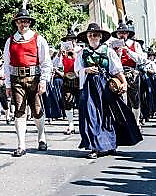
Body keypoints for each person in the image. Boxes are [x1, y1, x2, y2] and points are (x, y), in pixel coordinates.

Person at [74, 23, 142, 159]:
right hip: (89, 86)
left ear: (100, 37)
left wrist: (123, 82)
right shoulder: (82, 53)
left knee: (107, 115)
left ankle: (110, 144)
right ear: (87, 38)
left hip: (105, 86)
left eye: (96, 35)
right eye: (90, 35)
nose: (93, 37)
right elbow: (77, 71)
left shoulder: (108, 51)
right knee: (91, 115)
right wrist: (85, 70)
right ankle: (94, 147)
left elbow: (116, 69)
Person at [3, 2, 53, 157]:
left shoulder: (38, 39)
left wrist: (44, 80)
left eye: (25, 21)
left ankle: (41, 137)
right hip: (16, 78)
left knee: (37, 110)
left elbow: (45, 62)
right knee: (19, 109)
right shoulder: (10, 40)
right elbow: (6, 63)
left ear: (29, 22)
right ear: (16, 23)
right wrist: (7, 84)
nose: (22, 24)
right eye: (19, 21)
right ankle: (21, 145)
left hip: (34, 78)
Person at [111, 20, 145, 115]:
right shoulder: (112, 46)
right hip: (117, 74)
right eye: (120, 33)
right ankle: (123, 122)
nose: (122, 35)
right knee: (118, 98)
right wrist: (117, 54)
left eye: (124, 33)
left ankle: (136, 122)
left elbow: (141, 59)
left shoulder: (135, 44)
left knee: (134, 98)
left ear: (128, 34)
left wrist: (128, 51)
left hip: (131, 73)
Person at [58, 28, 80, 135]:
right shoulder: (63, 52)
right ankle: (70, 125)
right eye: (68, 39)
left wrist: (74, 56)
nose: (71, 41)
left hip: (79, 78)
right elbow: (56, 65)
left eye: (72, 39)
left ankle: (83, 124)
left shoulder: (80, 50)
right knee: (67, 102)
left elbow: (82, 64)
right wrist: (59, 55)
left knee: (82, 102)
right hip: (67, 78)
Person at [42, 47, 65, 122]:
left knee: (51, 99)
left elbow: (56, 61)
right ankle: (47, 116)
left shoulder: (50, 61)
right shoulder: (43, 61)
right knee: (46, 100)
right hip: (45, 81)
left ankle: (52, 115)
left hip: (49, 82)